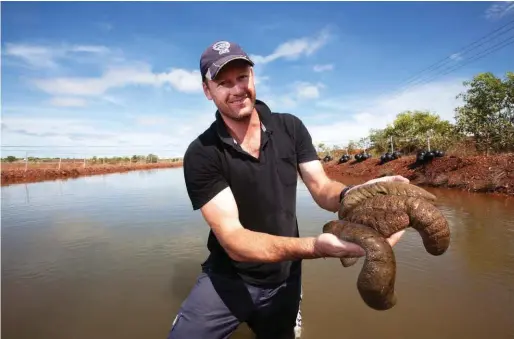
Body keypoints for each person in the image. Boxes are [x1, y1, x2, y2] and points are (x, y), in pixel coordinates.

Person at [167, 40, 407, 339]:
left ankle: (290, 314)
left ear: (253, 77)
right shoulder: (202, 153)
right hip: (228, 277)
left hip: (286, 275)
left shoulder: (289, 128)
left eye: (242, 77)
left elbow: (322, 188)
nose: (237, 89)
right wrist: (316, 248)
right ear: (208, 90)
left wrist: (355, 194)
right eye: (223, 83)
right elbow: (234, 240)